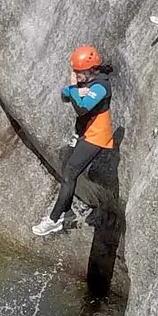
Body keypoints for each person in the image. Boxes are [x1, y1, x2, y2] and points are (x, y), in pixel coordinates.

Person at [34, 46, 113, 236]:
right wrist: (76, 89)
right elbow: (64, 96)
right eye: (75, 72)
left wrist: (73, 89)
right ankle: (67, 212)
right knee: (65, 159)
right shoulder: (85, 84)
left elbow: (82, 109)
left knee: (70, 174)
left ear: (91, 69)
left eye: (80, 72)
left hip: (97, 137)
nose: (76, 75)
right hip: (84, 133)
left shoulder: (101, 86)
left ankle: (54, 219)